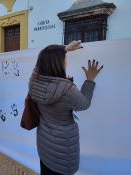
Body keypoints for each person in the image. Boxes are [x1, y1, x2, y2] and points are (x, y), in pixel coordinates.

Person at [28, 41, 103, 175]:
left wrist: (64, 49)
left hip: (44, 144)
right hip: (63, 151)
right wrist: (90, 80)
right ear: (59, 63)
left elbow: (37, 67)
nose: (66, 62)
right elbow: (84, 103)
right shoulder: (67, 89)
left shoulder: (34, 81)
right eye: (64, 59)